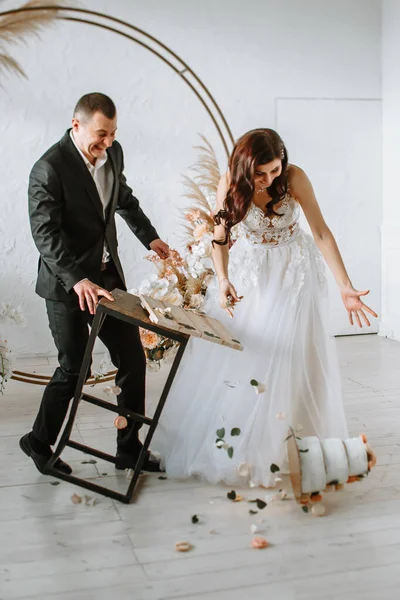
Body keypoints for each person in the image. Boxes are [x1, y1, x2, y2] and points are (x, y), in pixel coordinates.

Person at [152, 128, 378, 487]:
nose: (271, 178)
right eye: (262, 173)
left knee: (295, 353)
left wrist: (345, 286)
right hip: (253, 275)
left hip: (296, 273)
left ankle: (297, 443)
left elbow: (320, 231)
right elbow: (220, 235)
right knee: (252, 356)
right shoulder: (230, 181)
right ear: (245, 167)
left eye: (275, 170)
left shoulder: (294, 178)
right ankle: (250, 444)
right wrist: (223, 279)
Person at [20, 93, 169, 475]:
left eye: (113, 134)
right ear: (77, 125)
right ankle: (38, 442)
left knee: (133, 360)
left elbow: (124, 199)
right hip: (66, 285)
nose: (107, 143)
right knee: (74, 369)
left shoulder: (113, 154)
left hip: (107, 280)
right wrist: (77, 280)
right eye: (101, 134)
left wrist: (150, 237)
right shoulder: (48, 169)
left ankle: (128, 448)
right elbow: (45, 234)